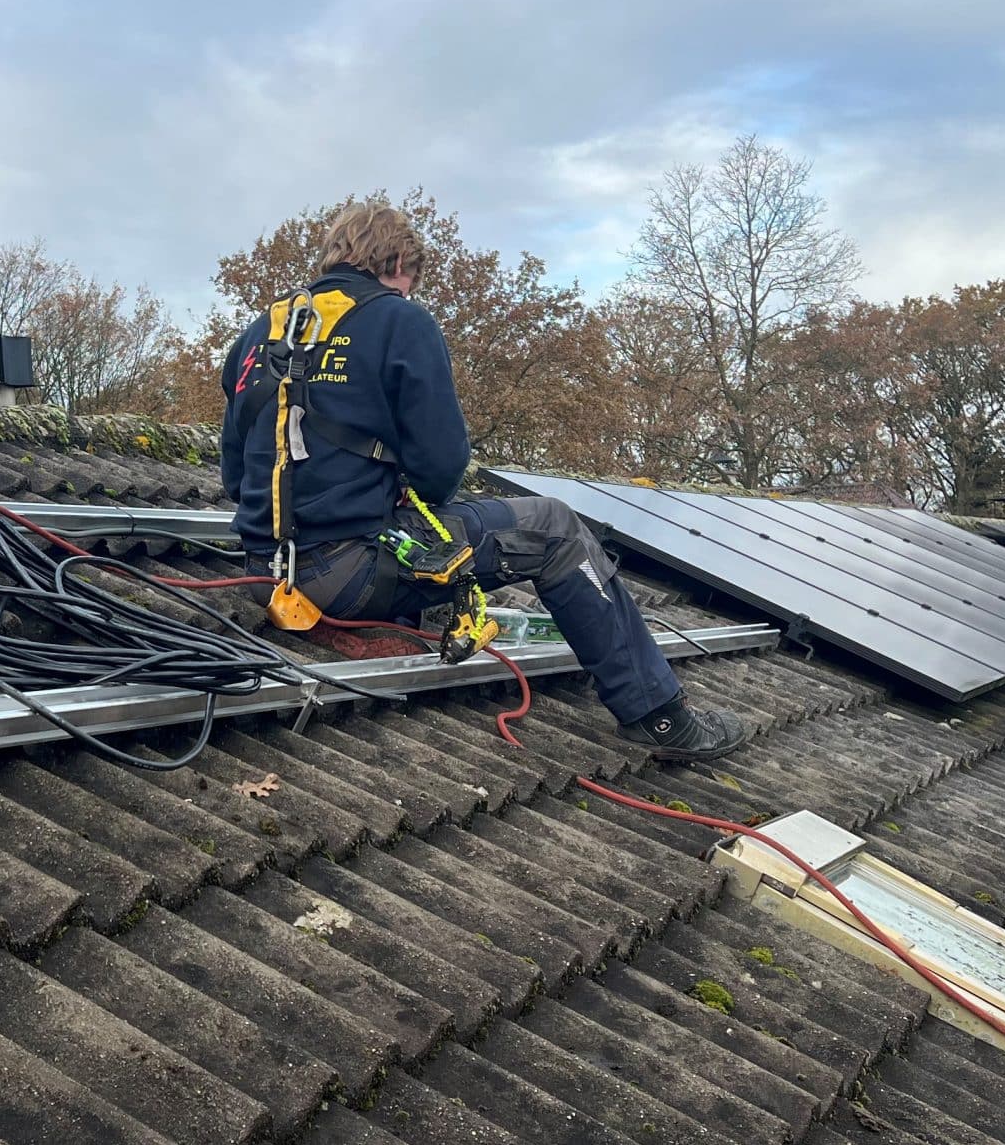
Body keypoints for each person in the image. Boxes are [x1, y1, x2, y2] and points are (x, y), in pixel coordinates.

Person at [219, 200, 747, 763]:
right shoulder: (400, 320)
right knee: (555, 527)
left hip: (263, 574)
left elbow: (235, 477)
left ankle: (394, 613)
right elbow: (442, 465)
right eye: (410, 280)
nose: (409, 294)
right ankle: (661, 718)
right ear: (397, 260)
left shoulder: (261, 332)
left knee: (395, 519)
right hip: (346, 579)